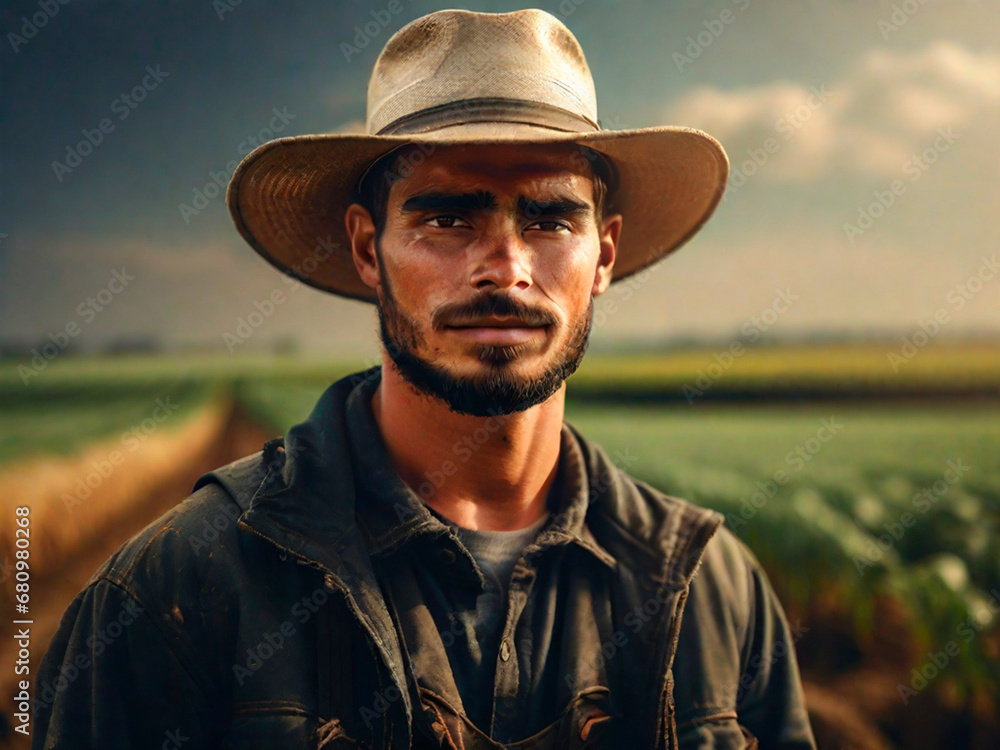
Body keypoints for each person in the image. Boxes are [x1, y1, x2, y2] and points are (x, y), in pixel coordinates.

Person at [32, 9, 817, 749]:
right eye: (448, 220)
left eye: (549, 221)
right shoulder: (175, 591)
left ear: (603, 255)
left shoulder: (711, 593)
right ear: (368, 251)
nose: (506, 269)